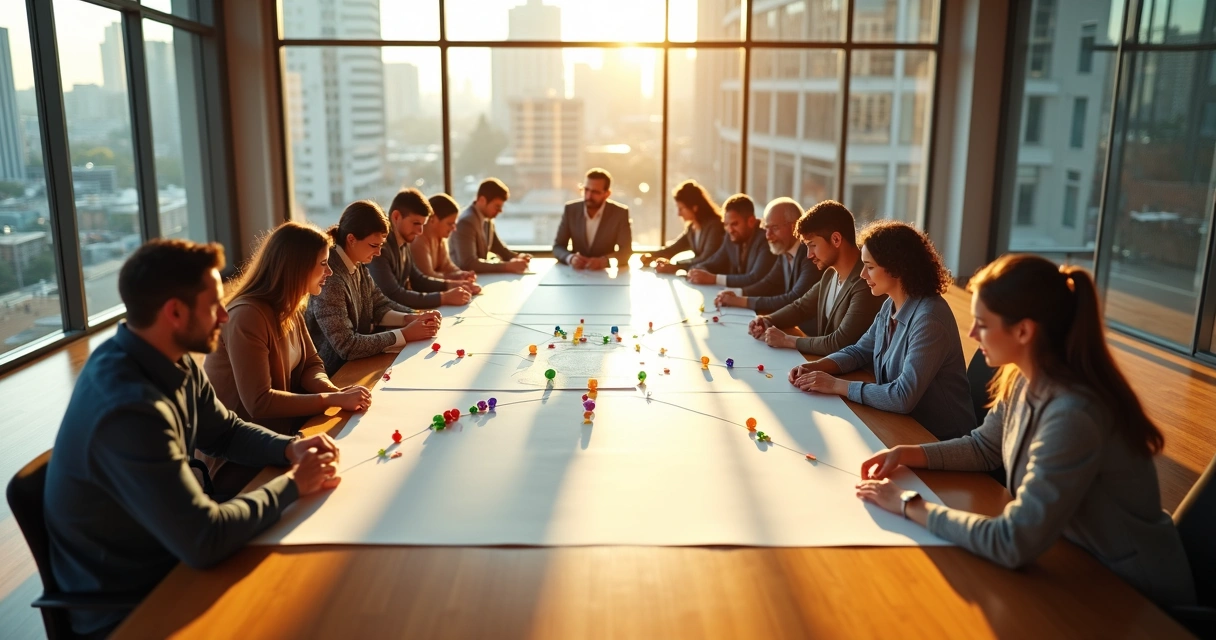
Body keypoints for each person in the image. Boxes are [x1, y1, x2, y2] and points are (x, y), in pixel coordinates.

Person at [855, 254, 1196, 608]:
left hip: (1136, 597)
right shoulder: (1023, 378)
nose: (972, 334)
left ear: (1023, 331)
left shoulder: (1073, 414)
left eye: (982, 324)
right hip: (1071, 561)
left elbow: (1012, 541)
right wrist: (909, 453)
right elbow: (984, 448)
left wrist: (909, 504)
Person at [43, 239, 342, 637]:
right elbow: (204, 538)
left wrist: (289, 447)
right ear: (175, 312)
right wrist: (293, 483)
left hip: (170, 549)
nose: (224, 316)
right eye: (214, 305)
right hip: (137, 603)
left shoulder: (170, 356)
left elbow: (225, 431)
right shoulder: (128, 410)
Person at [202, 221, 370, 492]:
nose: (329, 272)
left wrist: (333, 391)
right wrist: (331, 399)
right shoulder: (247, 316)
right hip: (240, 462)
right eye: (323, 264)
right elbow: (259, 402)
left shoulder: (288, 305)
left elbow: (311, 365)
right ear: (297, 268)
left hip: (283, 438)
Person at [788, 220, 973, 441]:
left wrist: (836, 384)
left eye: (870, 267)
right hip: (903, 424)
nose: (863, 275)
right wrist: (815, 367)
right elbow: (859, 351)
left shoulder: (929, 320)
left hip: (938, 438)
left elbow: (903, 397)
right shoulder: (891, 304)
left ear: (897, 269)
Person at [307, 200, 441, 375]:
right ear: (351, 239)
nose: (378, 253)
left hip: (358, 363)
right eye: (373, 246)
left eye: (381, 246)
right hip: (335, 374)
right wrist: (405, 334)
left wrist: (412, 318)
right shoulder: (330, 278)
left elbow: (378, 304)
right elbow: (347, 346)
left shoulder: (357, 263)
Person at [748, 200, 885, 356]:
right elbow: (801, 307)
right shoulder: (830, 274)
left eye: (812, 245)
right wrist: (768, 320)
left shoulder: (866, 281)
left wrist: (787, 340)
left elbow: (839, 343)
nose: (809, 255)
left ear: (836, 239)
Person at [369, 188, 479, 309]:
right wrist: (444, 297)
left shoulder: (404, 242)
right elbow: (394, 295)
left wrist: (454, 285)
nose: (420, 231)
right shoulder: (379, 249)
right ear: (396, 217)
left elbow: (419, 280)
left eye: (422, 224)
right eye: (416, 223)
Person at [714, 197, 822, 314]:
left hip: (808, 330)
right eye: (766, 228)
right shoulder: (784, 250)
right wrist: (736, 293)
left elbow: (794, 298)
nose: (768, 235)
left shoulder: (810, 255)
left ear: (794, 227)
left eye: (774, 228)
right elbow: (768, 283)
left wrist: (741, 301)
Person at [685, 194, 776, 287]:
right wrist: (697, 270)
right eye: (726, 224)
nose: (729, 230)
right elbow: (713, 262)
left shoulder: (766, 240)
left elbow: (755, 278)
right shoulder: (730, 238)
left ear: (751, 221)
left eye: (734, 224)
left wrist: (714, 279)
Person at [553, 167, 634, 269]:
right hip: (576, 274)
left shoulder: (620, 213)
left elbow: (626, 251)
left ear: (607, 194)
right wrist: (571, 258)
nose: (588, 196)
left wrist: (605, 261)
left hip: (606, 276)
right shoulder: (571, 210)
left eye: (595, 192)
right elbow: (558, 247)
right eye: (586, 190)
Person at [640, 179, 725, 274]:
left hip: (714, 279)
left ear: (694, 207)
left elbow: (707, 259)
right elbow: (673, 250)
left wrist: (676, 266)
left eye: (681, 208)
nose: (679, 214)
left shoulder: (714, 226)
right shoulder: (692, 229)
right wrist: (651, 256)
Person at [449, 178, 532, 274]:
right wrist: (507, 267)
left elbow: (497, 247)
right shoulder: (466, 222)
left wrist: (517, 257)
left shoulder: (486, 219)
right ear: (482, 200)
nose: (500, 211)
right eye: (497, 206)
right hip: (462, 281)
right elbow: (468, 263)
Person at [413, 193, 479, 282]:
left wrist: (462, 274)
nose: (454, 228)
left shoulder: (440, 239)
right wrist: (454, 277)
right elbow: (428, 276)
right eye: (450, 224)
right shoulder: (418, 240)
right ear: (433, 219)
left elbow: (447, 266)